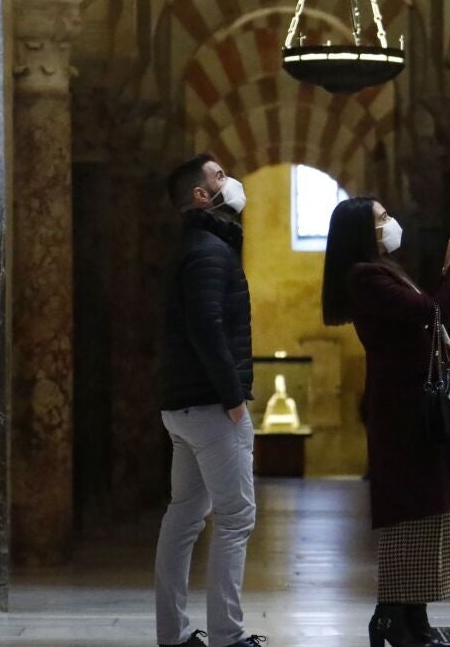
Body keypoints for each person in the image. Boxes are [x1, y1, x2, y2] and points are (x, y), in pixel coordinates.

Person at [322, 197, 450, 647]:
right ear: (362, 231)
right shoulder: (365, 278)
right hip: (403, 410)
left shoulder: (383, 271)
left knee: (429, 509)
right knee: (409, 510)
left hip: (413, 406)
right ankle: (391, 616)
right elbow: (432, 313)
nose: (392, 223)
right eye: (382, 218)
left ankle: (413, 617)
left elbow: (429, 313)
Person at [154, 154, 265, 647]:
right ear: (201, 195)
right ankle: (227, 635)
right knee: (236, 517)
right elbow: (207, 329)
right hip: (211, 407)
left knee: (183, 517)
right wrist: (234, 398)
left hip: (182, 406)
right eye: (219, 176)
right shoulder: (209, 251)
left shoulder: (190, 247)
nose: (229, 180)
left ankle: (174, 635)